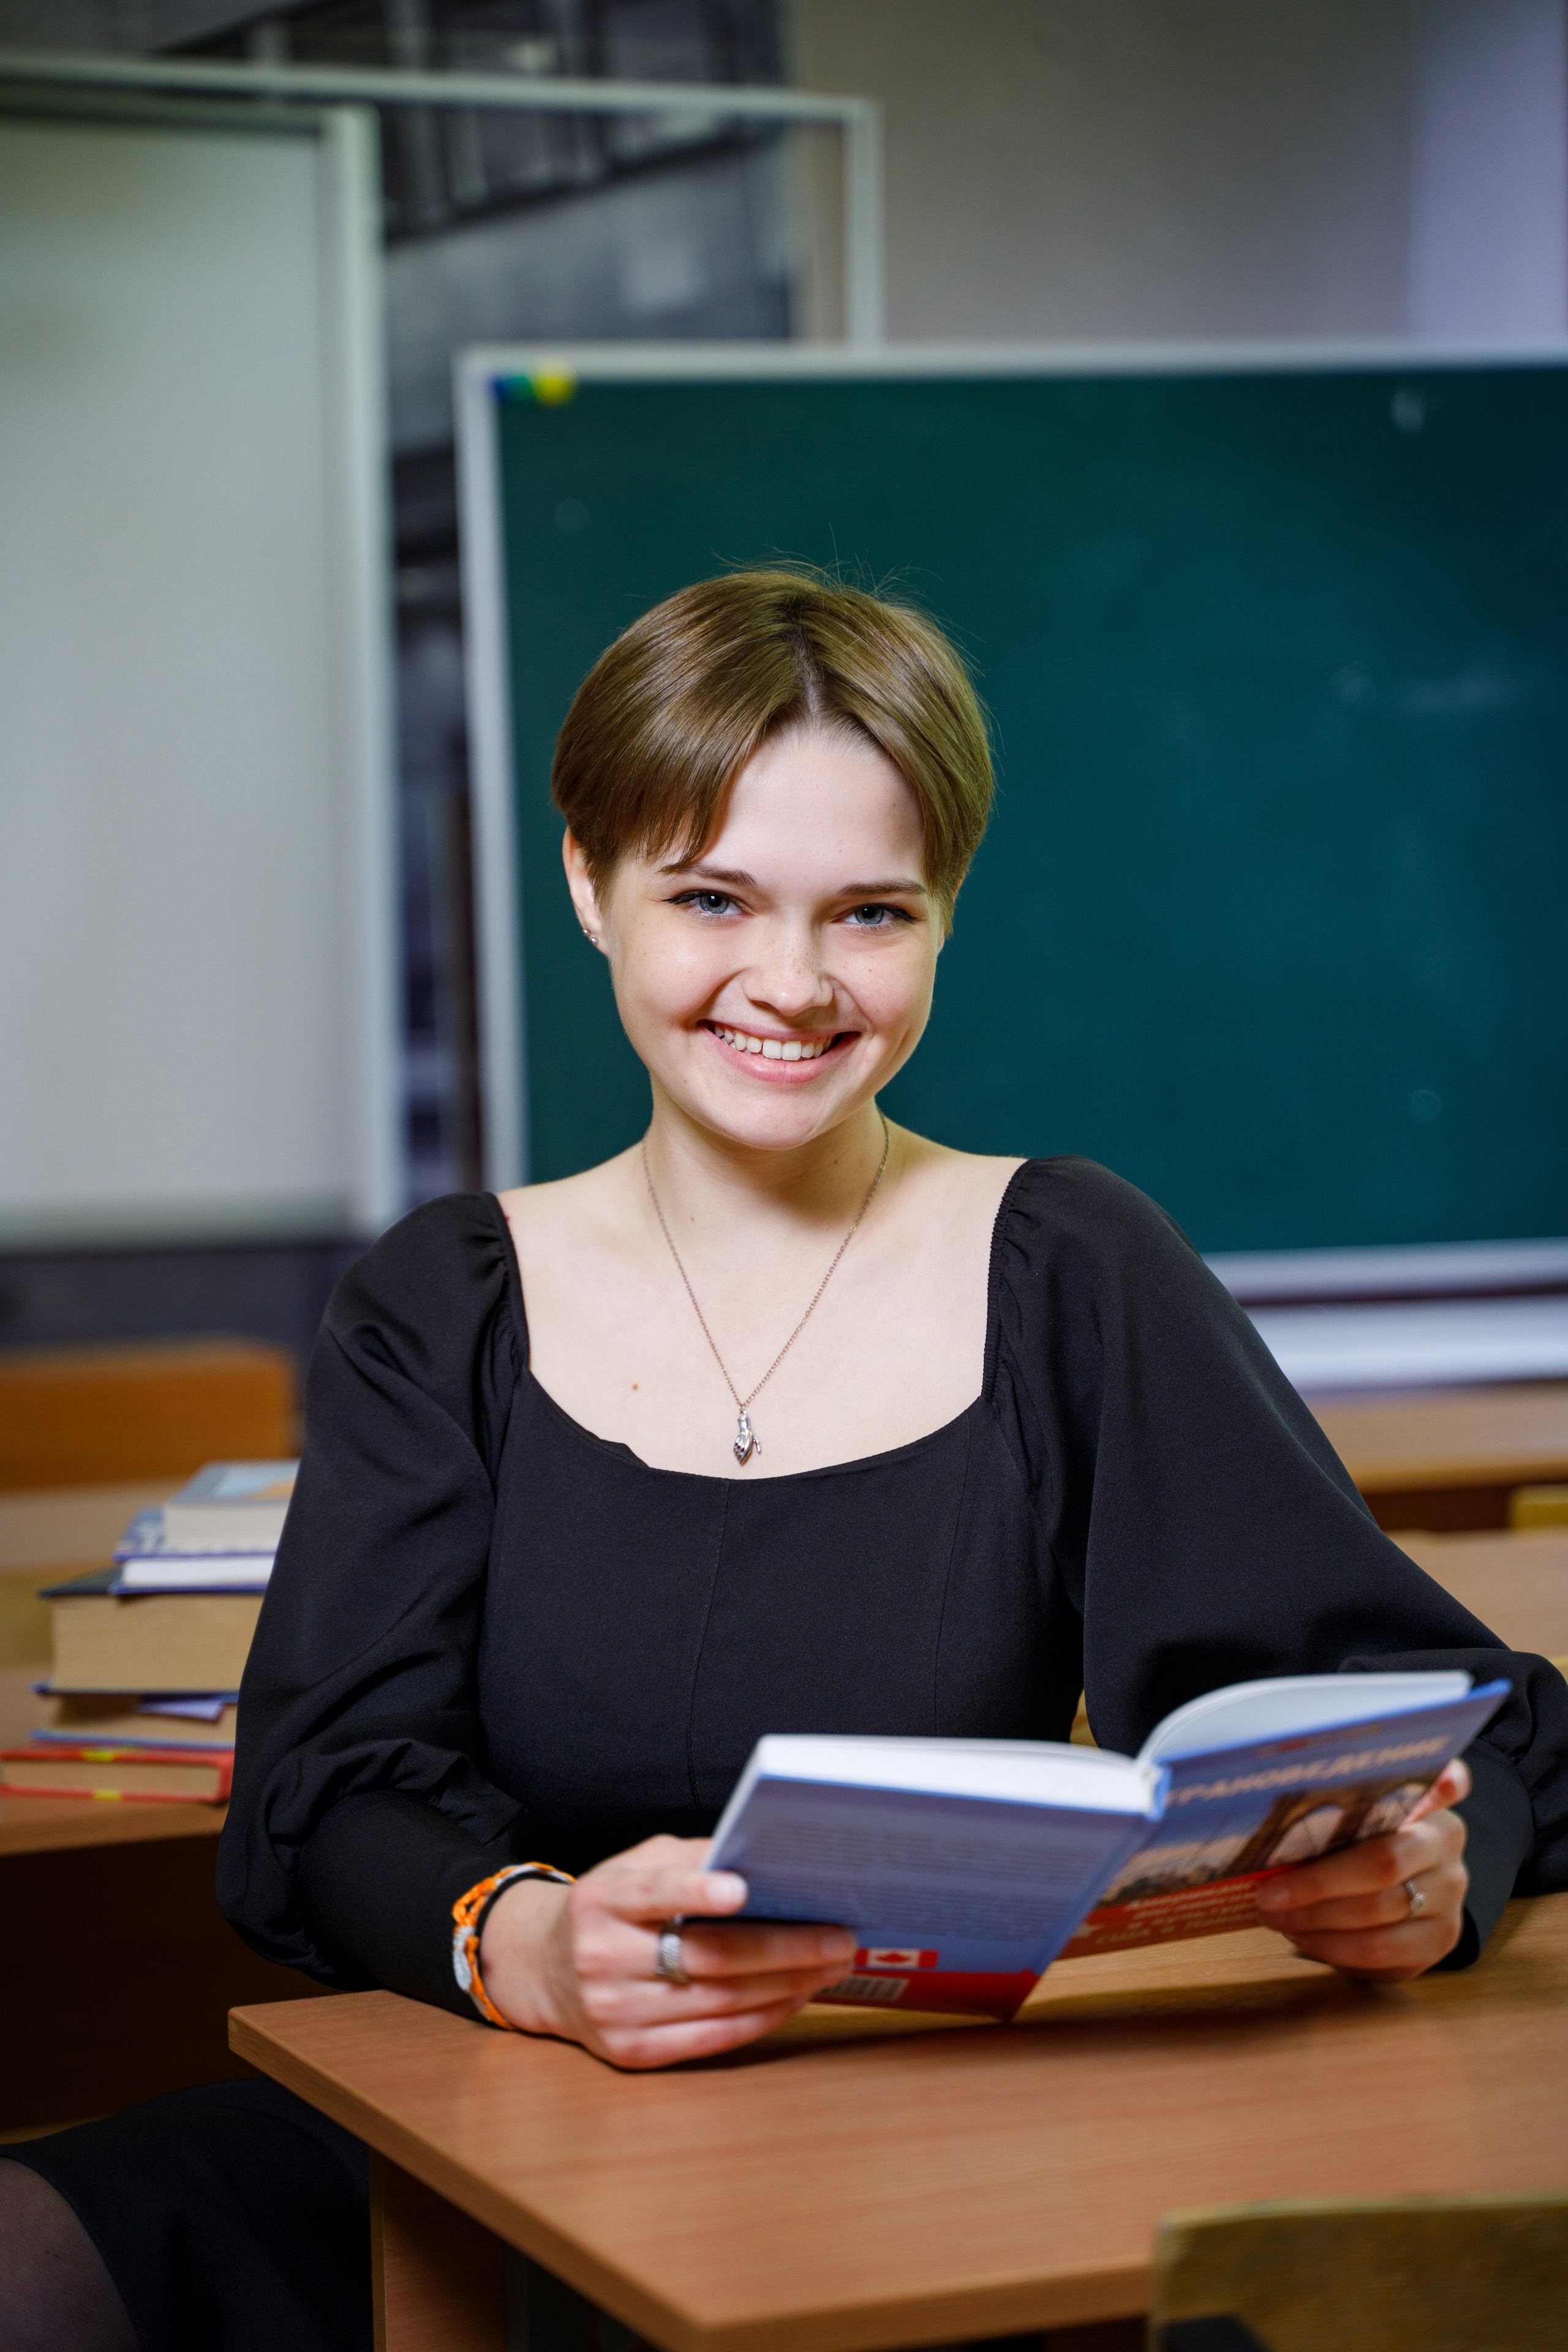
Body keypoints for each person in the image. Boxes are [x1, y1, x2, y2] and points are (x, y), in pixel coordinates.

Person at [5, 570, 1566, 2350]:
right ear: (587, 882)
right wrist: (530, 1944)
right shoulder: (443, 1305)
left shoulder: (1070, 1267)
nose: (797, 985)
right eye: (713, 898)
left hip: (948, 2150)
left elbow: (1461, 1723)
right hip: (510, 2103)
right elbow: (329, 1790)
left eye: (872, 912)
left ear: (945, 915)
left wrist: (1425, 1882)